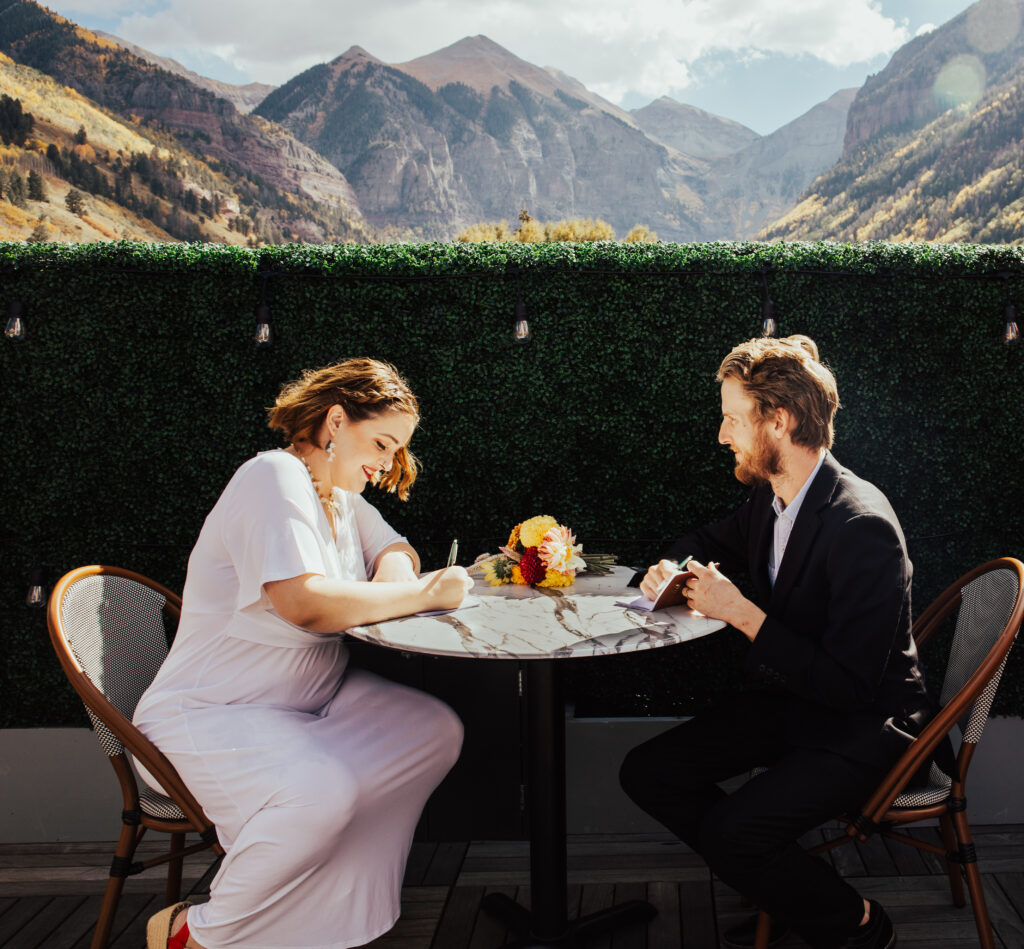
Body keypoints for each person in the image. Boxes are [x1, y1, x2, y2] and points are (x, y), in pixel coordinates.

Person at [135, 357, 472, 949]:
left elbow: (397, 548)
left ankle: (331, 921)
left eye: (397, 451)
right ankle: (198, 932)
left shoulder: (339, 496)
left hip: (308, 703)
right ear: (336, 421)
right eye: (382, 443)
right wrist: (418, 595)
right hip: (209, 713)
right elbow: (303, 602)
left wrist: (397, 577)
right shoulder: (272, 477)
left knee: (432, 730)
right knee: (322, 793)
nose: (388, 463)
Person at [619, 335, 932, 949]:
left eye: (734, 419)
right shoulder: (775, 497)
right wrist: (668, 567)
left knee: (733, 834)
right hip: (797, 703)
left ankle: (857, 923)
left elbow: (850, 685)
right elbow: (708, 541)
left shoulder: (862, 525)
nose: (722, 435)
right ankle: (782, 883)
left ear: (779, 422)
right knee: (648, 773)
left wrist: (742, 614)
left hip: (865, 728)